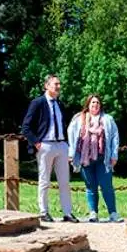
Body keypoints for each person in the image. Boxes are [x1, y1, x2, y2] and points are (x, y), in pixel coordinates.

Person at [21, 74, 78, 223]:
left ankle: (67, 213)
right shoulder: (37, 103)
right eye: (55, 84)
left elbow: (65, 125)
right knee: (44, 180)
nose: (58, 87)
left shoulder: (60, 104)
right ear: (46, 86)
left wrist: (67, 144)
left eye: (59, 84)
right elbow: (26, 127)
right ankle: (44, 212)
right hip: (45, 144)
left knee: (64, 181)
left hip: (61, 145)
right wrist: (36, 142)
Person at [67, 94, 122, 222]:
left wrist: (114, 155)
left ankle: (113, 213)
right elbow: (72, 135)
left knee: (106, 186)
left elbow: (115, 137)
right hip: (85, 159)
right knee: (90, 187)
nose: (95, 105)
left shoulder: (108, 119)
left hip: (103, 158)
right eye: (92, 102)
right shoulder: (79, 119)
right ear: (88, 104)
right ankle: (93, 213)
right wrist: (71, 153)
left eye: (97, 102)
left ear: (100, 105)